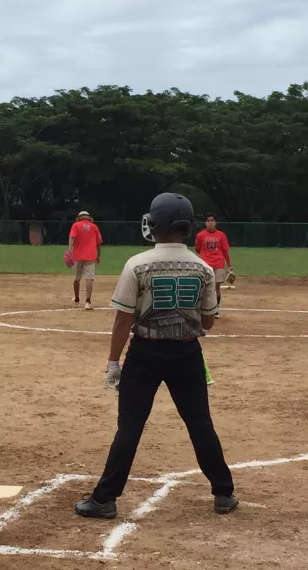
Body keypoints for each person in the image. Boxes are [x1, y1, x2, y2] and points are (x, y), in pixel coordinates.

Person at [74, 193, 238, 519]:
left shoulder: (137, 264)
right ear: (188, 227)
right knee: (200, 424)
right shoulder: (203, 268)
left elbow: (123, 319)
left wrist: (112, 362)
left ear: (155, 225)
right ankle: (224, 493)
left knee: (130, 427)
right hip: (188, 353)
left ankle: (105, 498)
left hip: (145, 353)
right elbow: (207, 321)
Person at [194, 214, 233, 318]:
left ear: (215, 222)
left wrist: (230, 266)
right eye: (208, 221)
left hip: (218, 264)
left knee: (216, 288)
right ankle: (203, 309)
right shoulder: (200, 235)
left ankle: (215, 310)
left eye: (212, 220)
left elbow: (225, 252)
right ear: (205, 223)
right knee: (204, 288)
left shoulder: (221, 235)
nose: (210, 223)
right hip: (205, 265)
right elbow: (197, 249)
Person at [68, 211, 103, 310]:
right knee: (89, 278)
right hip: (91, 256)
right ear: (88, 217)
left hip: (77, 256)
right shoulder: (94, 227)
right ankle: (88, 302)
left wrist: (69, 251)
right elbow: (99, 243)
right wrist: (98, 255)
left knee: (77, 278)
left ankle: (77, 300)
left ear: (79, 217)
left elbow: (72, 238)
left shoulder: (76, 225)